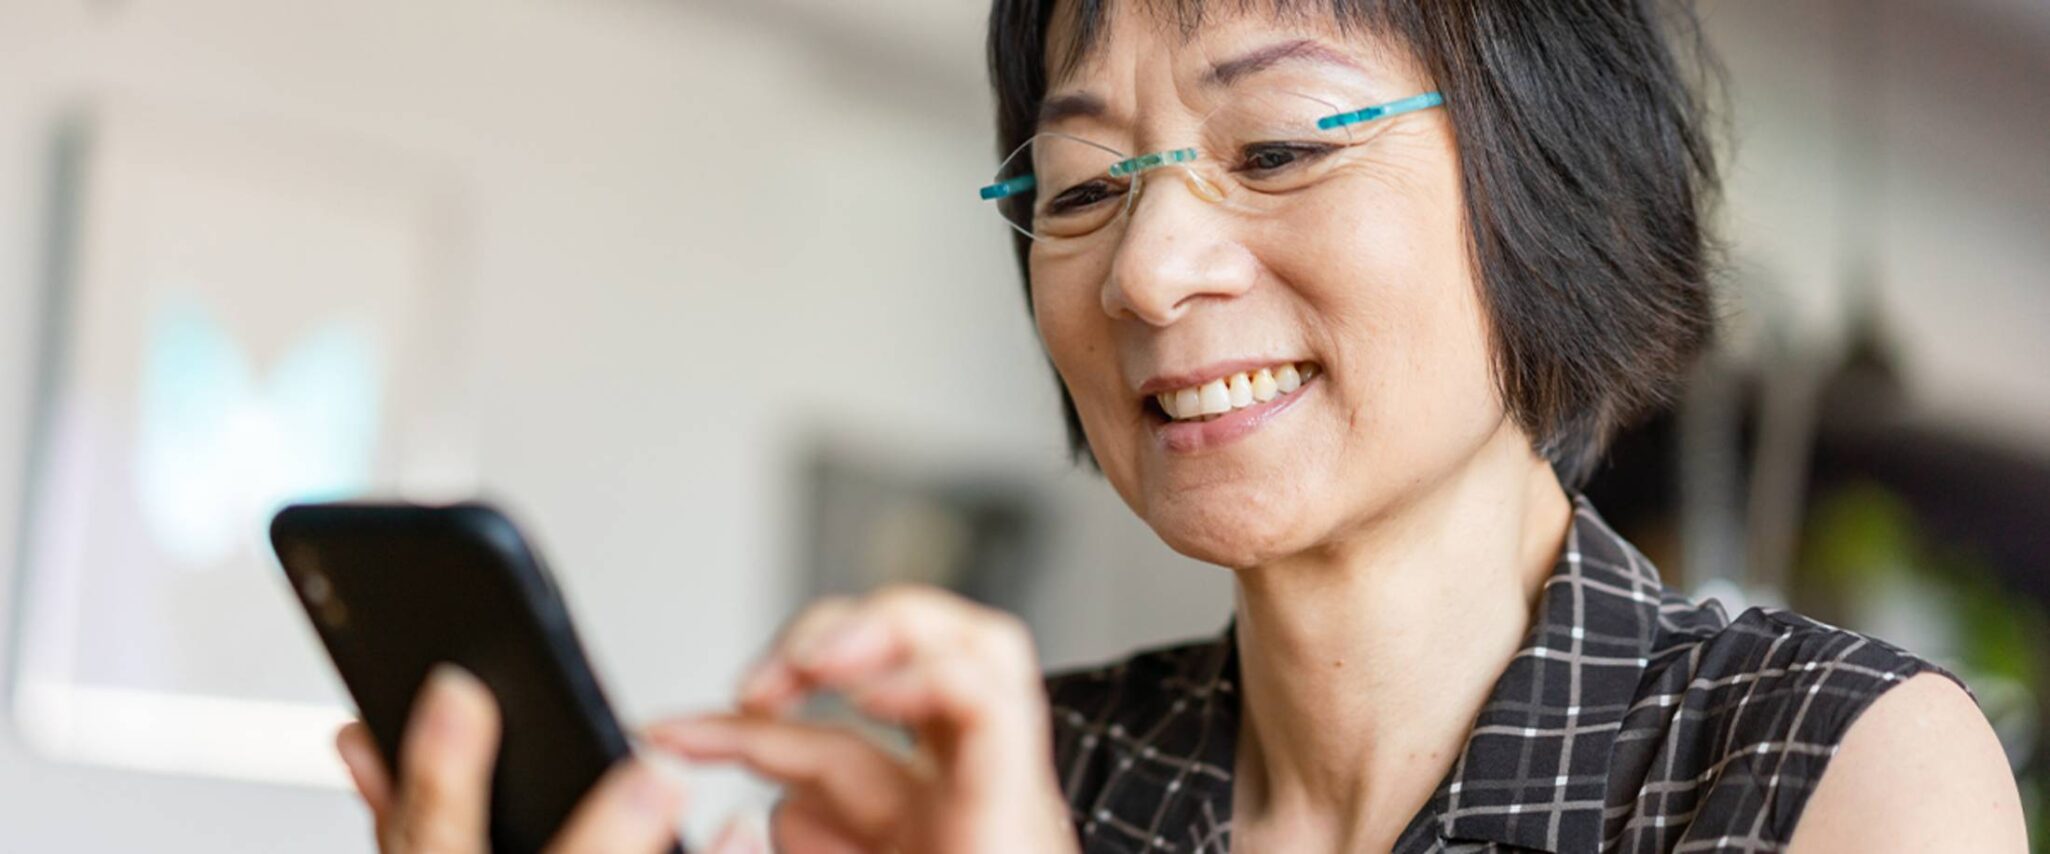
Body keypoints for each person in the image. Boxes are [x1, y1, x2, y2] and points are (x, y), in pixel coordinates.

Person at [331, 0, 2030, 851]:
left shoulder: (1826, 764)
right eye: (1078, 185)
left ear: (1548, 183)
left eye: (1278, 148)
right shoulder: (1015, 785)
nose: (1145, 270)